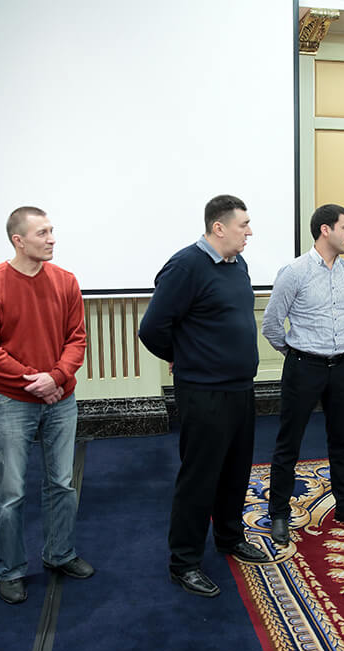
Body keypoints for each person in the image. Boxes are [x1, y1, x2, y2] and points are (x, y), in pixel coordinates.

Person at [138, 194, 268, 598]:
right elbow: (152, 328)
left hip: (240, 387)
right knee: (200, 478)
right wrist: (182, 356)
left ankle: (229, 538)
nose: (250, 232)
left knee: (235, 471)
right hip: (203, 392)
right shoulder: (185, 266)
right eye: (244, 225)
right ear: (219, 227)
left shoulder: (237, 264)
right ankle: (184, 563)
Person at [0, 206, 93, 605]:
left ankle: (60, 553)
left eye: (52, 230)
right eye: (43, 233)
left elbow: (77, 339)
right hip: (12, 403)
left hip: (61, 399)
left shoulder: (66, 281)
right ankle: (11, 571)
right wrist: (36, 381)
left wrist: (55, 378)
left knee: (62, 483)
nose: (52, 239)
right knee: (11, 493)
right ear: (18, 240)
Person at [262, 204, 344, 546]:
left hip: (342, 366)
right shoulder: (294, 272)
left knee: (342, 441)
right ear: (325, 230)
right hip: (303, 366)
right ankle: (279, 513)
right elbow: (272, 324)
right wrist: (297, 355)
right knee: (289, 442)